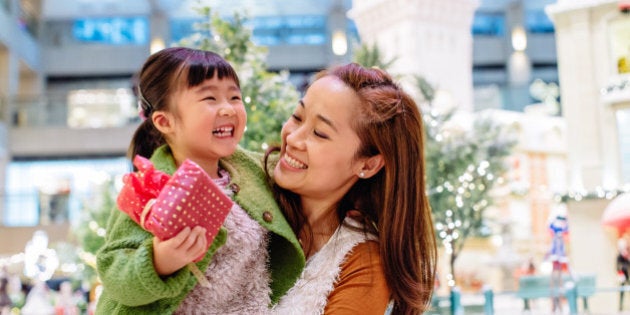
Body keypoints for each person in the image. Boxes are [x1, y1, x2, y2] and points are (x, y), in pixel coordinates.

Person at [96, 47, 304, 314]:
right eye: (210, 98)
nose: (228, 108)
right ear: (164, 121)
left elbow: (301, 174)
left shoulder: (251, 170)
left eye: (234, 96)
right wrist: (158, 261)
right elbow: (113, 271)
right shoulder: (149, 188)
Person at [266, 63, 438, 314]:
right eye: (297, 117)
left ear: (368, 165)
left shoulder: (363, 264)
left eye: (319, 133)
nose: (292, 139)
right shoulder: (245, 187)